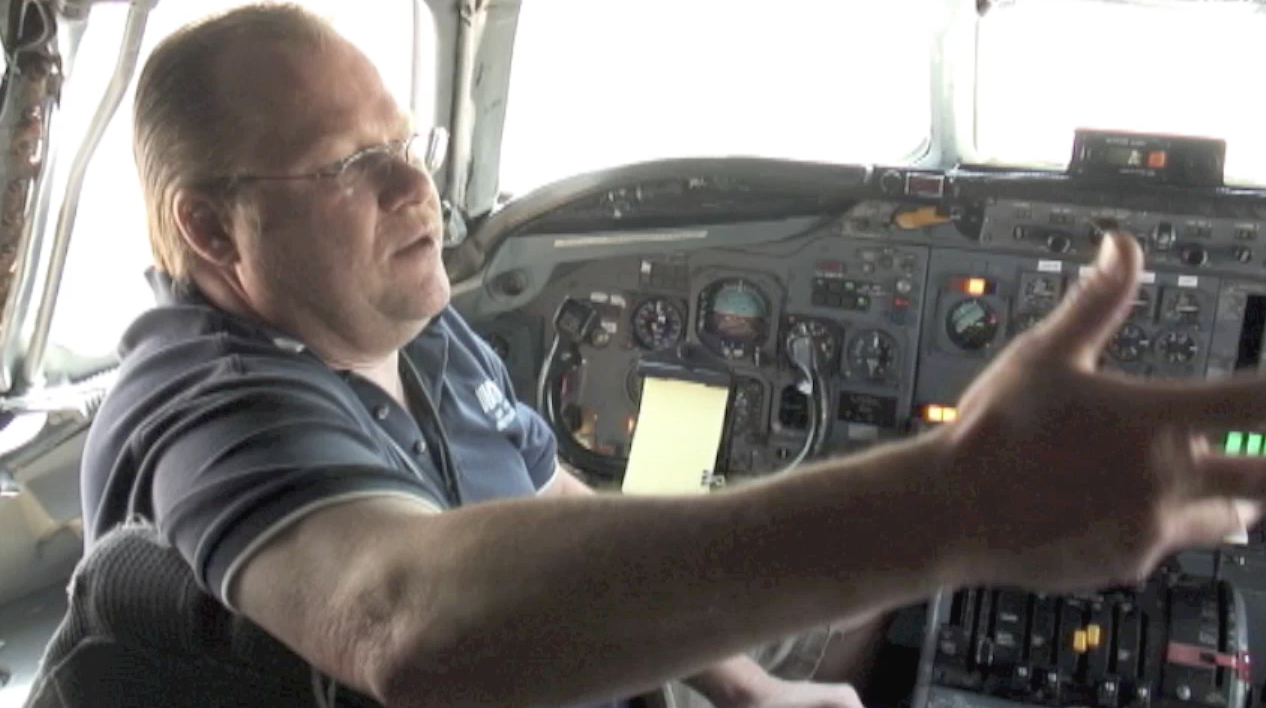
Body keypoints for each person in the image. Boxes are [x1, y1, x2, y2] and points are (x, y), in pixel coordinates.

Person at [80, 4, 1266, 708]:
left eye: (407, 141)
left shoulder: (405, 318)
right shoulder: (209, 405)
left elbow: (546, 492)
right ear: (208, 227)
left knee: (892, 602)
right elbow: (401, 623)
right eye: (350, 164)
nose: (417, 187)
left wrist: (750, 687)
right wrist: (958, 505)